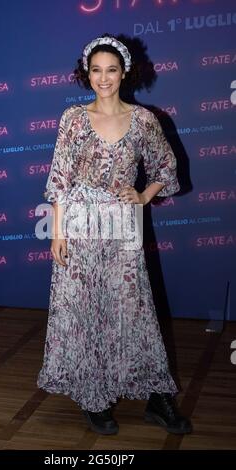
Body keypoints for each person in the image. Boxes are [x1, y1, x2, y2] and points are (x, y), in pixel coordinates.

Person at [37, 34, 192, 436]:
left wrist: (142, 195)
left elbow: (166, 169)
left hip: (122, 227)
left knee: (133, 312)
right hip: (79, 226)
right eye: (95, 70)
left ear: (125, 73)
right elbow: (59, 180)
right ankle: (96, 396)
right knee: (86, 312)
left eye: (111, 70)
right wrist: (57, 233)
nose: (103, 78)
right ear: (85, 74)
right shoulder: (72, 118)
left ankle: (157, 398)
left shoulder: (144, 120)